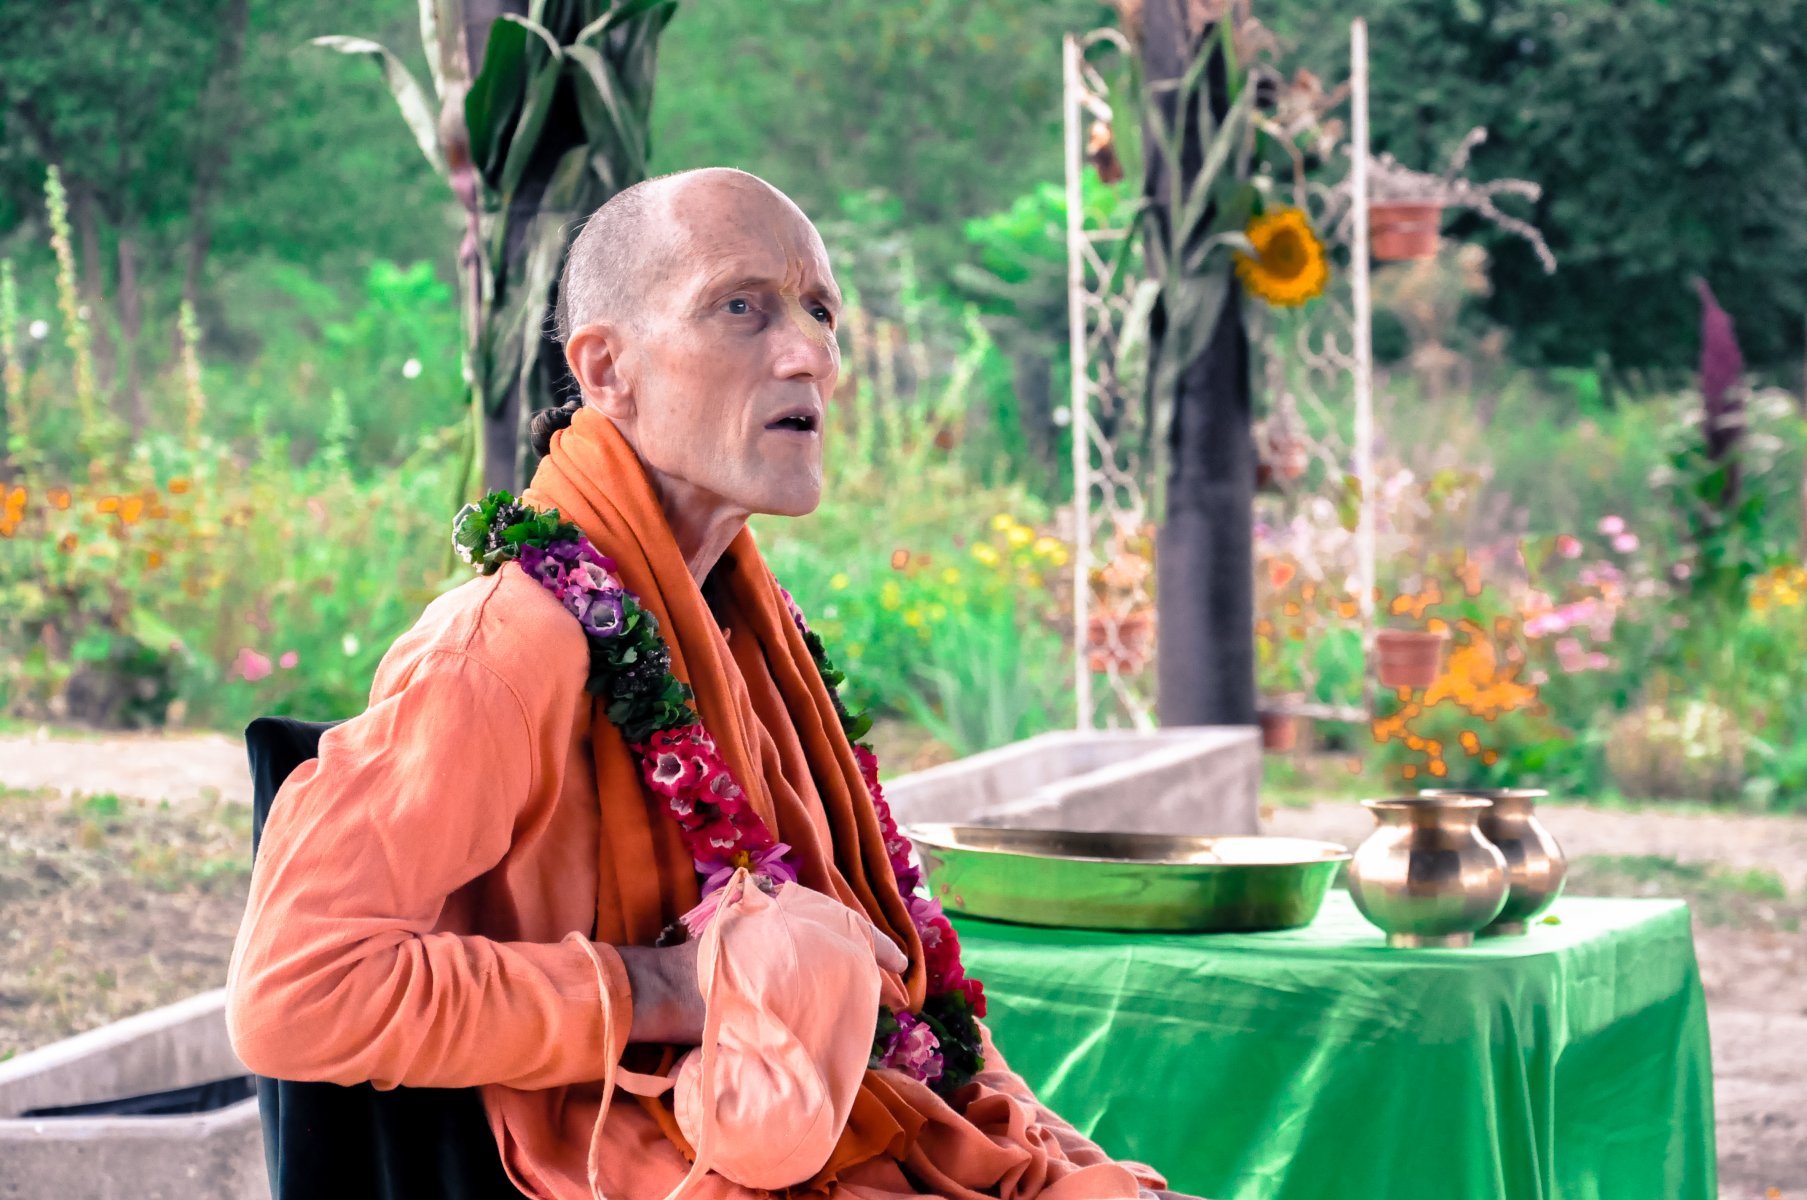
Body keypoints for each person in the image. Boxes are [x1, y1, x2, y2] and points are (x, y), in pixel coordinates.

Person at [227, 167, 1178, 1200]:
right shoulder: (501, 648)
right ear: (607, 369)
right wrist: (671, 987)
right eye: (741, 308)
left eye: (820, 312)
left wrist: (1064, 1160)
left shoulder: (752, 637)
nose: (810, 354)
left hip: (874, 1138)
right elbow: (296, 993)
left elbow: (908, 1007)